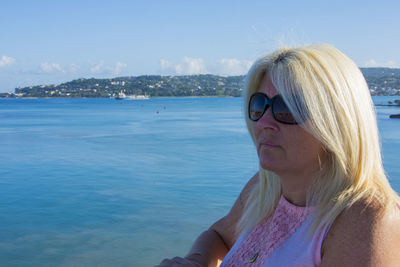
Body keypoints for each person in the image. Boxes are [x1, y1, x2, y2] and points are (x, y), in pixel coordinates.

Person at [157, 44, 400, 267]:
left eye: (285, 108)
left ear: (337, 123)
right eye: (259, 104)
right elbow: (219, 236)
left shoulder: (367, 220)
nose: (263, 121)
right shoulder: (265, 187)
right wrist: (195, 262)